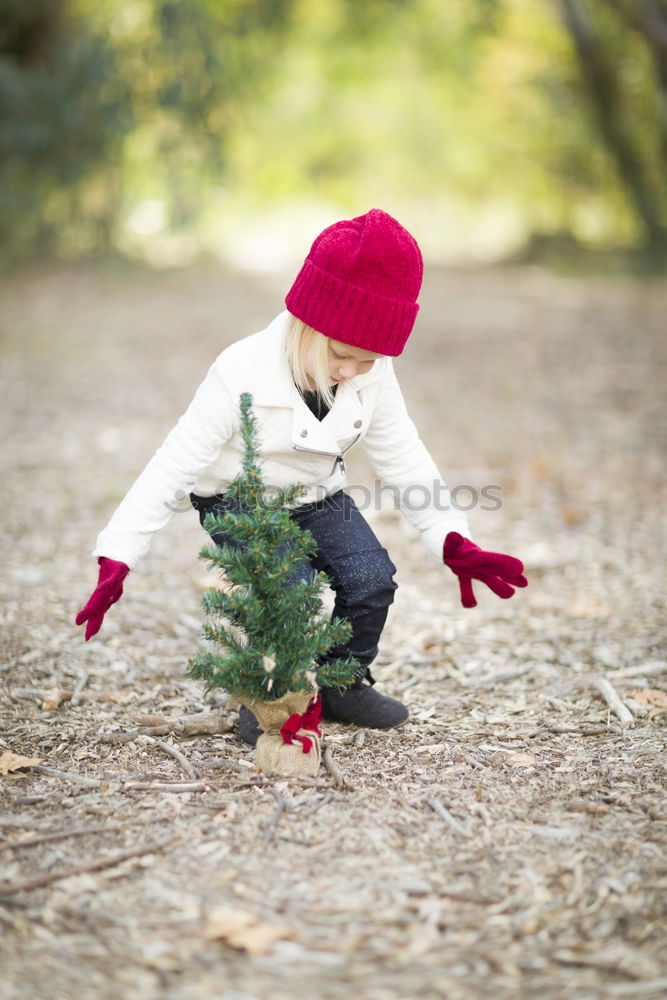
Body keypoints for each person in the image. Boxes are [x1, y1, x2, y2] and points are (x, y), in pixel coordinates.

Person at [75, 208, 527, 745]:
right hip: (238, 497)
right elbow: (174, 462)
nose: (355, 372)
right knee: (284, 589)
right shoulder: (239, 370)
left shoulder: (372, 372)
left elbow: (404, 455)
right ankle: (271, 693)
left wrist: (452, 537)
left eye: (370, 361)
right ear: (309, 323)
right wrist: (120, 553)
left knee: (371, 579)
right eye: (343, 355)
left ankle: (344, 682)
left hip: (316, 493)